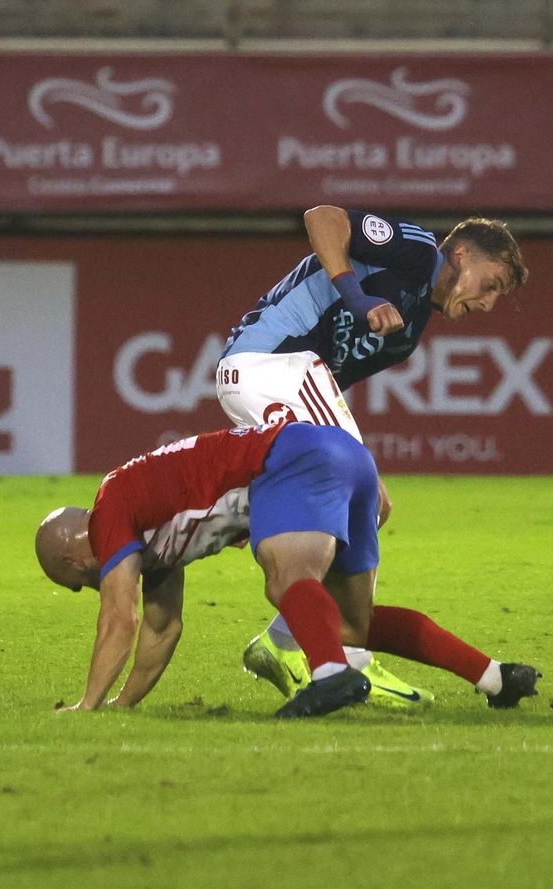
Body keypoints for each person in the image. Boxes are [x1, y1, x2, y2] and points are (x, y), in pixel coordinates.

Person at [216, 206, 528, 702]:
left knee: (367, 507)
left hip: (277, 381)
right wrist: (357, 295)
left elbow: (330, 387)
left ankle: (283, 637)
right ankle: (348, 659)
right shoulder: (417, 250)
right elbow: (322, 217)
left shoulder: (408, 332)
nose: (489, 304)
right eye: (490, 284)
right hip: (266, 363)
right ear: (462, 255)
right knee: (367, 492)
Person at [34, 421, 541, 718]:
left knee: (287, 581)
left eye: (74, 582)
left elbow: (119, 618)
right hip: (348, 457)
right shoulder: (153, 536)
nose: (86, 588)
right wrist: (118, 708)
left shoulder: (109, 513)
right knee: (349, 625)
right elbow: (161, 628)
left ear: (70, 559)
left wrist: (85, 706)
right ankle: (497, 677)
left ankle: (330, 675)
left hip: (290, 462)